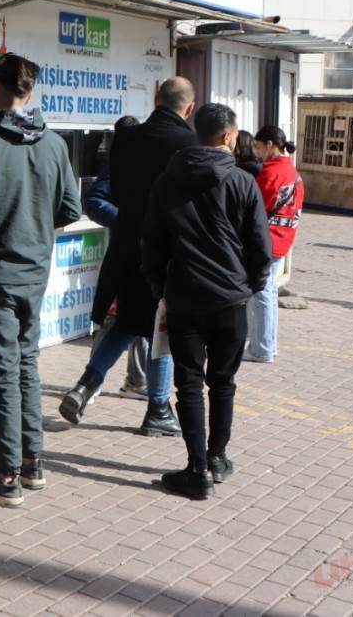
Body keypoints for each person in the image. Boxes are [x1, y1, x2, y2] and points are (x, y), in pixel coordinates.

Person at [0, 54, 81, 507]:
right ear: (30, 95)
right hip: (35, 273)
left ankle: (7, 475)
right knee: (26, 366)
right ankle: (32, 463)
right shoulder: (54, 144)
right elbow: (70, 208)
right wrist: (32, 225)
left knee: (2, 375)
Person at [142, 103, 273, 499]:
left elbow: (151, 245)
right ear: (228, 136)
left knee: (189, 383)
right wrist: (249, 284)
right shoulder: (242, 182)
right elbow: (260, 247)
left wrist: (160, 287)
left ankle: (197, 468)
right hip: (231, 300)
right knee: (223, 383)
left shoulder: (166, 181)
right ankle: (216, 459)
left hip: (185, 298)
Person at [63, 78, 198, 440]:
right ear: (189, 108)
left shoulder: (125, 138)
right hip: (166, 252)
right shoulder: (187, 143)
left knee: (125, 322)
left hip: (126, 247)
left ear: (155, 100)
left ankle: (84, 385)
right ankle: (157, 409)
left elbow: (117, 191)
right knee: (161, 328)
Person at [79, 115, 150, 401]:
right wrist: (126, 220)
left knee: (143, 322)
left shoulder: (147, 165)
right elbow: (93, 202)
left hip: (147, 259)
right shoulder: (117, 168)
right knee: (113, 319)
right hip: (122, 258)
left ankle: (138, 382)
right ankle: (90, 385)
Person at [245, 125, 304, 363]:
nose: (258, 153)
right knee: (267, 291)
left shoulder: (270, 173)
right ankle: (267, 344)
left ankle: (262, 348)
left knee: (261, 293)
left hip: (265, 239)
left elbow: (254, 209)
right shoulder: (294, 173)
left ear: (270, 144)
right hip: (284, 238)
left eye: (259, 147)